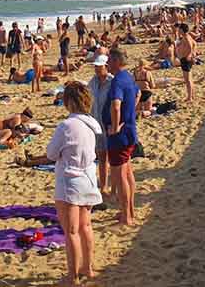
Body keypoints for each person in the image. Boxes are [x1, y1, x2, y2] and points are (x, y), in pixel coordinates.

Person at [47, 81, 102, 284]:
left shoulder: (66, 126)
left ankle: (73, 276)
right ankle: (88, 268)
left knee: (71, 231)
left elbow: (51, 153)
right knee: (85, 226)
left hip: (70, 180)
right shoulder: (92, 123)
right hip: (88, 177)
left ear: (69, 101)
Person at [104, 48, 140, 226]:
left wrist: (115, 126)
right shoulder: (128, 77)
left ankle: (126, 216)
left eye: (110, 60)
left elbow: (116, 105)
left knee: (120, 177)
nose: (107, 63)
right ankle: (129, 211)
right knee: (127, 173)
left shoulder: (118, 80)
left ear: (117, 61)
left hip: (120, 136)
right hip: (129, 131)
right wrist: (130, 113)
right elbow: (138, 93)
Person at [87, 53, 114, 198]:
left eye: (99, 67)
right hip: (96, 125)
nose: (97, 69)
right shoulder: (92, 82)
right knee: (102, 157)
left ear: (106, 67)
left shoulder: (113, 82)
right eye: (96, 67)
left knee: (113, 158)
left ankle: (113, 186)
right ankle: (103, 186)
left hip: (109, 124)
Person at [175, 23, 197, 103]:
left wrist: (189, 55)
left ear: (182, 30)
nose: (178, 30)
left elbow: (190, 46)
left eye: (179, 29)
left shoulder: (187, 37)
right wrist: (193, 54)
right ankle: (192, 95)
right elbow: (194, 44)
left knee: (187, 80)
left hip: (185, 60)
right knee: (189, 79)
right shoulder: (186, 36)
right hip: (185, 59)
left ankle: (189, 97)